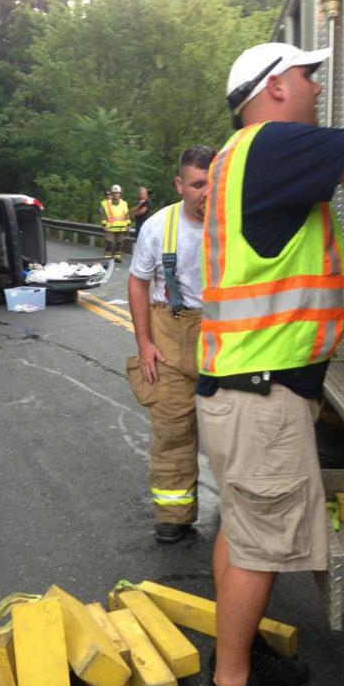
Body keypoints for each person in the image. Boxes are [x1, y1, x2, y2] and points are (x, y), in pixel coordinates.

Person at [197, 41, 344, 686]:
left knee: (243, 532)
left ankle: (238, 656)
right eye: (309, 77)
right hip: (259, 400)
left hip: (240, 392)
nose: (316, 88)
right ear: (274, 88)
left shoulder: (244, 155)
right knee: (258, 547)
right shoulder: (274, 147)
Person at [127, 146, 215, 544]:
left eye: (213, 182)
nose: (206, 192)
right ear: (180, 185)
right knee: (172, 432)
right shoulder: (159, 226)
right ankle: (174, 515)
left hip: (224, 338)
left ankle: (241, 520)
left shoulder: (237, 223)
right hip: (171, 337)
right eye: (198, 184)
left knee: (232, 435)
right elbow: (138, 281)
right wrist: (144, 343)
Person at [101, 184, 130, 262]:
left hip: (121, 227)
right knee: (109, 243)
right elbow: (103, 215)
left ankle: (117, 257)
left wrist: (128, 225)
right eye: (115, 193)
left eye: (118, 193)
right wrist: (103, 224)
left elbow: (126, 214)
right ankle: (107, 257)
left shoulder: (124, 203)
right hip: (110, 228)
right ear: (112, 194)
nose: (116, 194)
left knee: (119, 243)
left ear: (120, 194)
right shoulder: (106, 204)